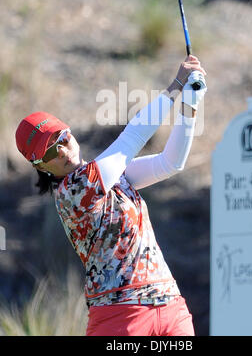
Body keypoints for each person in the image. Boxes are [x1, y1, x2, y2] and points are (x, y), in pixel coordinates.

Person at [15, 54, 207, 336]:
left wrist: (190, 104)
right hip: (120, 317)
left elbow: (170, 163)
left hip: (169, 305)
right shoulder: (73, 191)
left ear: (70, 133)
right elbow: (131, 139)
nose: (64, 151)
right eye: (51, 151)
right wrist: (176, 85)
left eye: (63, 139)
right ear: (40, 167)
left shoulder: (110, 174)